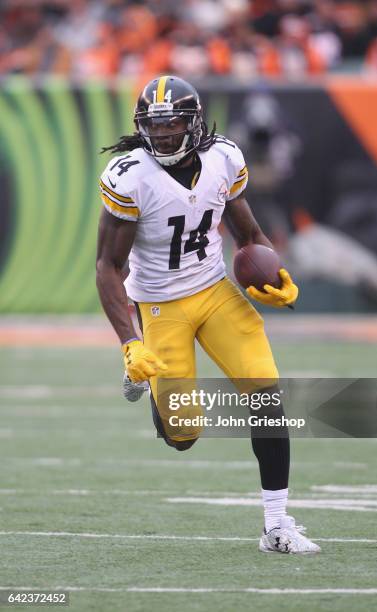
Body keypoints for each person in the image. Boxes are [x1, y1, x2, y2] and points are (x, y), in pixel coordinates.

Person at [96, 75, 320, 554]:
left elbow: (250, 235)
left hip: (215, 289)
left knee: (266, 394)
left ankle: (277, 525)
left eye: (173, 126)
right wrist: (130, 342)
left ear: (194, 124)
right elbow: (108, 267)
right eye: (154, 128)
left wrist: (272, 280)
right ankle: (148, 386)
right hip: (159, 303)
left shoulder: (223, 158)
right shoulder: (130, 177)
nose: (162, 137)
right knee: (183, 435)